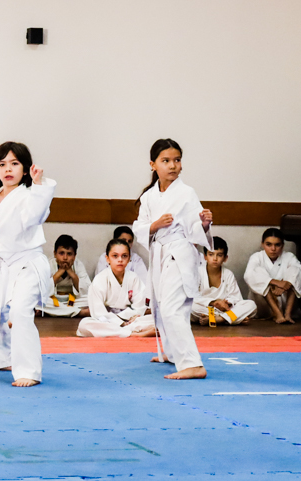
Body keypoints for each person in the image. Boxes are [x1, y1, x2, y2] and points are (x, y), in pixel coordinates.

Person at [132, 139, 213, 380]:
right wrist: (154, 225)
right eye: (166, 161)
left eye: (177, 160)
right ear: (153, 164)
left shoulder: (186, 193)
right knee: (160, 307)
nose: (173, 165)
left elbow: (195, 229)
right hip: (159, 253)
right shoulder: (148, 197)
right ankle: (172, 353)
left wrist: (204, 224)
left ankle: (193, 364)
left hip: (180, 252)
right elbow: (140, 227)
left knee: (173, 307)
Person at [0, 141, 55, 387]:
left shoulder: (29, 195)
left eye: (14, 163)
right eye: (2, 164)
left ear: (25, 168)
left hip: (28, 263)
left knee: (20, 313)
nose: (8, 169)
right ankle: (2, 359)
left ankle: (29, 371)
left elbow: (35, 216)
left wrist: (39, 184)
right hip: (7, 265)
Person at [77, 239, 155, 337]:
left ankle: (122, 333)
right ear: (107, 258)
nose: (120, 260)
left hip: (130, 320)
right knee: (85, 324)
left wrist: (130, 319)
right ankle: (133, 334)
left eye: (124, 256)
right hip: (108, 322)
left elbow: (139, 306)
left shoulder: (133, 278)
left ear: (129, 258)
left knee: (154, 319)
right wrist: (119, 322)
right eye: (115, 256)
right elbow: (98, 312)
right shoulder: (100, 279)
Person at [243, 228, 301, 324]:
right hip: (263, 304)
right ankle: (277, 313)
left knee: (296, 270)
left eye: (277, 245)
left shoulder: (289, 256)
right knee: (257, 271)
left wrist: (287, 283)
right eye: (269, 244)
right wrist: (275, 283)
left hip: (284, 298)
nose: (273, 249)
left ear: (282, 245)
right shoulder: (257, 257)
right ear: (262, 244)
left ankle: (287, 314)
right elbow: (249, 275)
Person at [192, 237, 257, 326]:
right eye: (211, 254)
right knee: (190, 306)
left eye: (219, 255)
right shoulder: (197, 272)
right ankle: (232, 318)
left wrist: (226, 303)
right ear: (205, 256)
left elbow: (236, 298)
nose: (215, 258)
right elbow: (193, 297)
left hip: (224, 309)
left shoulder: (228, 274)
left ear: (225, 258)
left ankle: (220, 319)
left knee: (251, 305)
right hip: (205, 308)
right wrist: (214, 302)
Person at [41, 234, 90, 318]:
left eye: (69, 254)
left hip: (73, 300)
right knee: (38, 301)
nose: (65, 258)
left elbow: (87, 290)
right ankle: (79, 312)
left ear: (74, 256)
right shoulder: (48, 265)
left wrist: (72, 274)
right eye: (61, 253)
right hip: (53, 300)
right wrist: (59, 272)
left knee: (90, 300)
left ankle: (57, 312)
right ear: (55, 254)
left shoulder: (78, 265)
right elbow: (42, 291)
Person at [93, 225, 149, 289]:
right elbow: (100, 281)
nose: (127, 244)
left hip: (131, 292)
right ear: (115, 241)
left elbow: (143, 282)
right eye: (123, 240)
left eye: (129, 241)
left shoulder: (136, 259)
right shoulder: (105, 257)